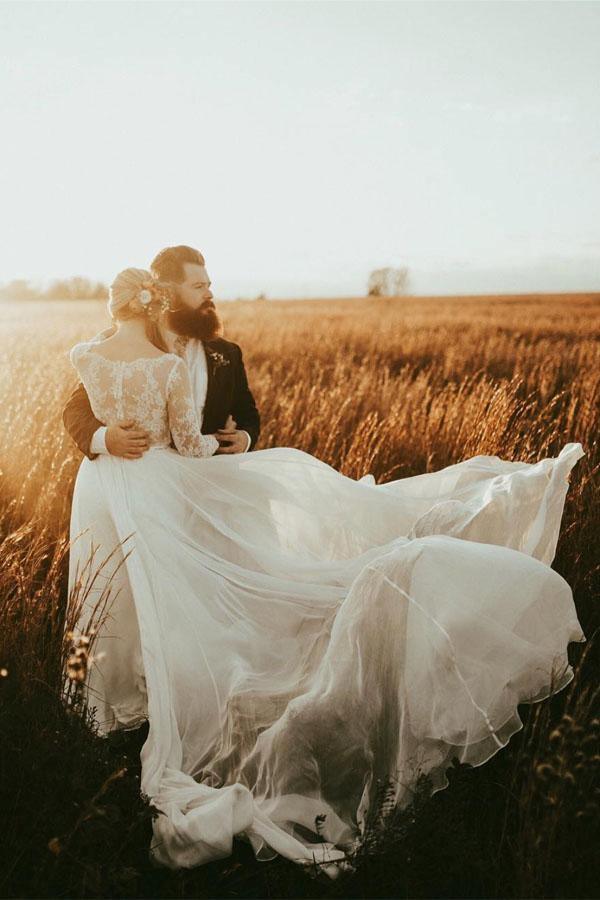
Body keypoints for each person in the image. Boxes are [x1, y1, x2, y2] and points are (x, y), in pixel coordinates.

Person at [65, 265, 587, 878]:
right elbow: (78, 412)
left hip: (220, 505)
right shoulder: (147, 354)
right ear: (163, 292)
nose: (210, 292)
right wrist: (103, 437)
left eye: (209, 282)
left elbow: (244, 417)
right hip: (153, 498)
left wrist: (244, 442)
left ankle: (209, 687)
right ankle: (135, 701)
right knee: (132, 601)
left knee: (221, 611)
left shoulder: (221, 354)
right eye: (197, 283)